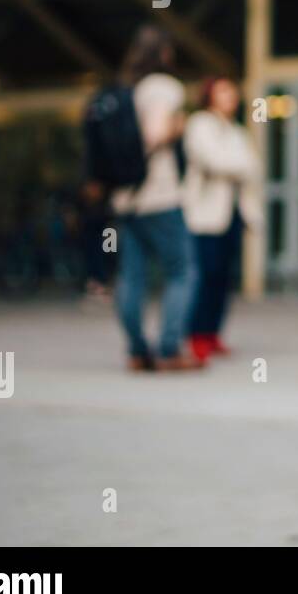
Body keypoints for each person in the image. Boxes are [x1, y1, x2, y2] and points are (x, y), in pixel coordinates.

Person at [109, 25, 202, 372]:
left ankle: (137, 350)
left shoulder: (126, 90)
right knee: (183, 271)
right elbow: (156, 133)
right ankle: (169, 348)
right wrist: (178, 126)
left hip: (127, 197)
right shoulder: (164, 87)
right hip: (159, 195)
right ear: (165, 54)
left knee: (132, 277)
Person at [181, 76, 263, 361]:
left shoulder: (238, 131)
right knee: (205, 276)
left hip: (233, 215)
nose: (231, 96)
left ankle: (213, 332)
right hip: (205, 216)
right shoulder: (200, 123)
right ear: (209, 95)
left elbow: (254, 167)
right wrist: (240, 165)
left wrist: (239, 166)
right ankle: (196, 334)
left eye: (232, 90)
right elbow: (216, 161)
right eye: (223, 91)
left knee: (223, 278)